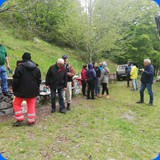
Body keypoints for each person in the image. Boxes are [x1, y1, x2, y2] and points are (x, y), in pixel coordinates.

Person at [12, 52, 41, 126]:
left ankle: (20, 119)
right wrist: (36, 88)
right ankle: (31, 121)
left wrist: (14, 89)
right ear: (30, 58)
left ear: (23, 58)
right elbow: (39, 80)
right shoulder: (36, 68)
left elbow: (15, 80)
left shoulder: (19, 67)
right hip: (32, 91)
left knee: (16, 103)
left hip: (20, 90)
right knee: (31, 105)